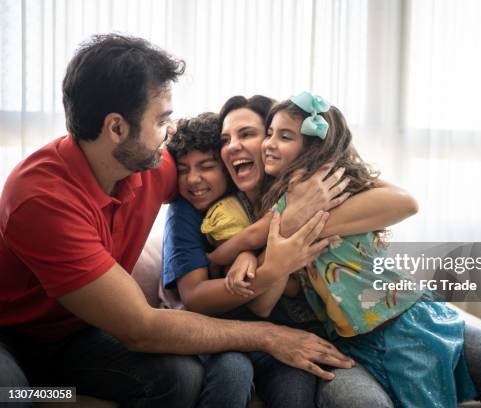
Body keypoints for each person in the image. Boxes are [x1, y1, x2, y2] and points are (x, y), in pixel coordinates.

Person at [0, 34, 353, 407]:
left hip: (77, 334)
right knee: (15, 398)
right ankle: (38, 389)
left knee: (181, 378)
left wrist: (302, 179)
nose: (171, 133)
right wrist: (269, 335)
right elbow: (142, 327)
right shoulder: (42, 199)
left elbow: (226, 170)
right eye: (162, 120)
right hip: (11, 336)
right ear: (117, 128)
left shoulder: (150, 165)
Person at [225, 92, 481, 408]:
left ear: (313, 147)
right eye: (270, 134)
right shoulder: (279, 203)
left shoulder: (330, 185)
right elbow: (266, 292)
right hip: (352, 338)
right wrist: (251, 255)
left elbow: (406, 203)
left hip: (403, 314)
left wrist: (241, 249)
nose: (268, 144)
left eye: (282, 136)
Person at [163, 94, 416, 408]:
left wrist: (292, 229)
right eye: (226, 139)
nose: (235, 146)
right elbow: (210, 297)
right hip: (228, 331)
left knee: (295, 385)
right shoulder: (214, 201)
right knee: (233, 370)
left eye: (250, 134)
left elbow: (403, 202)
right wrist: (266, 251)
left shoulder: (298, 186)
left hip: (332, 322)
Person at [162, 112, 319, 408]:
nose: (193, 180)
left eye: (207, 167)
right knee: (233, 370)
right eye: (183, 170)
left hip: (269, 324)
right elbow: (194, 298)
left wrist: (246, 253)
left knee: (298, 378)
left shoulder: (253, 196)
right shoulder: (183, 212)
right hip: (209, 332)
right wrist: (256, 260)